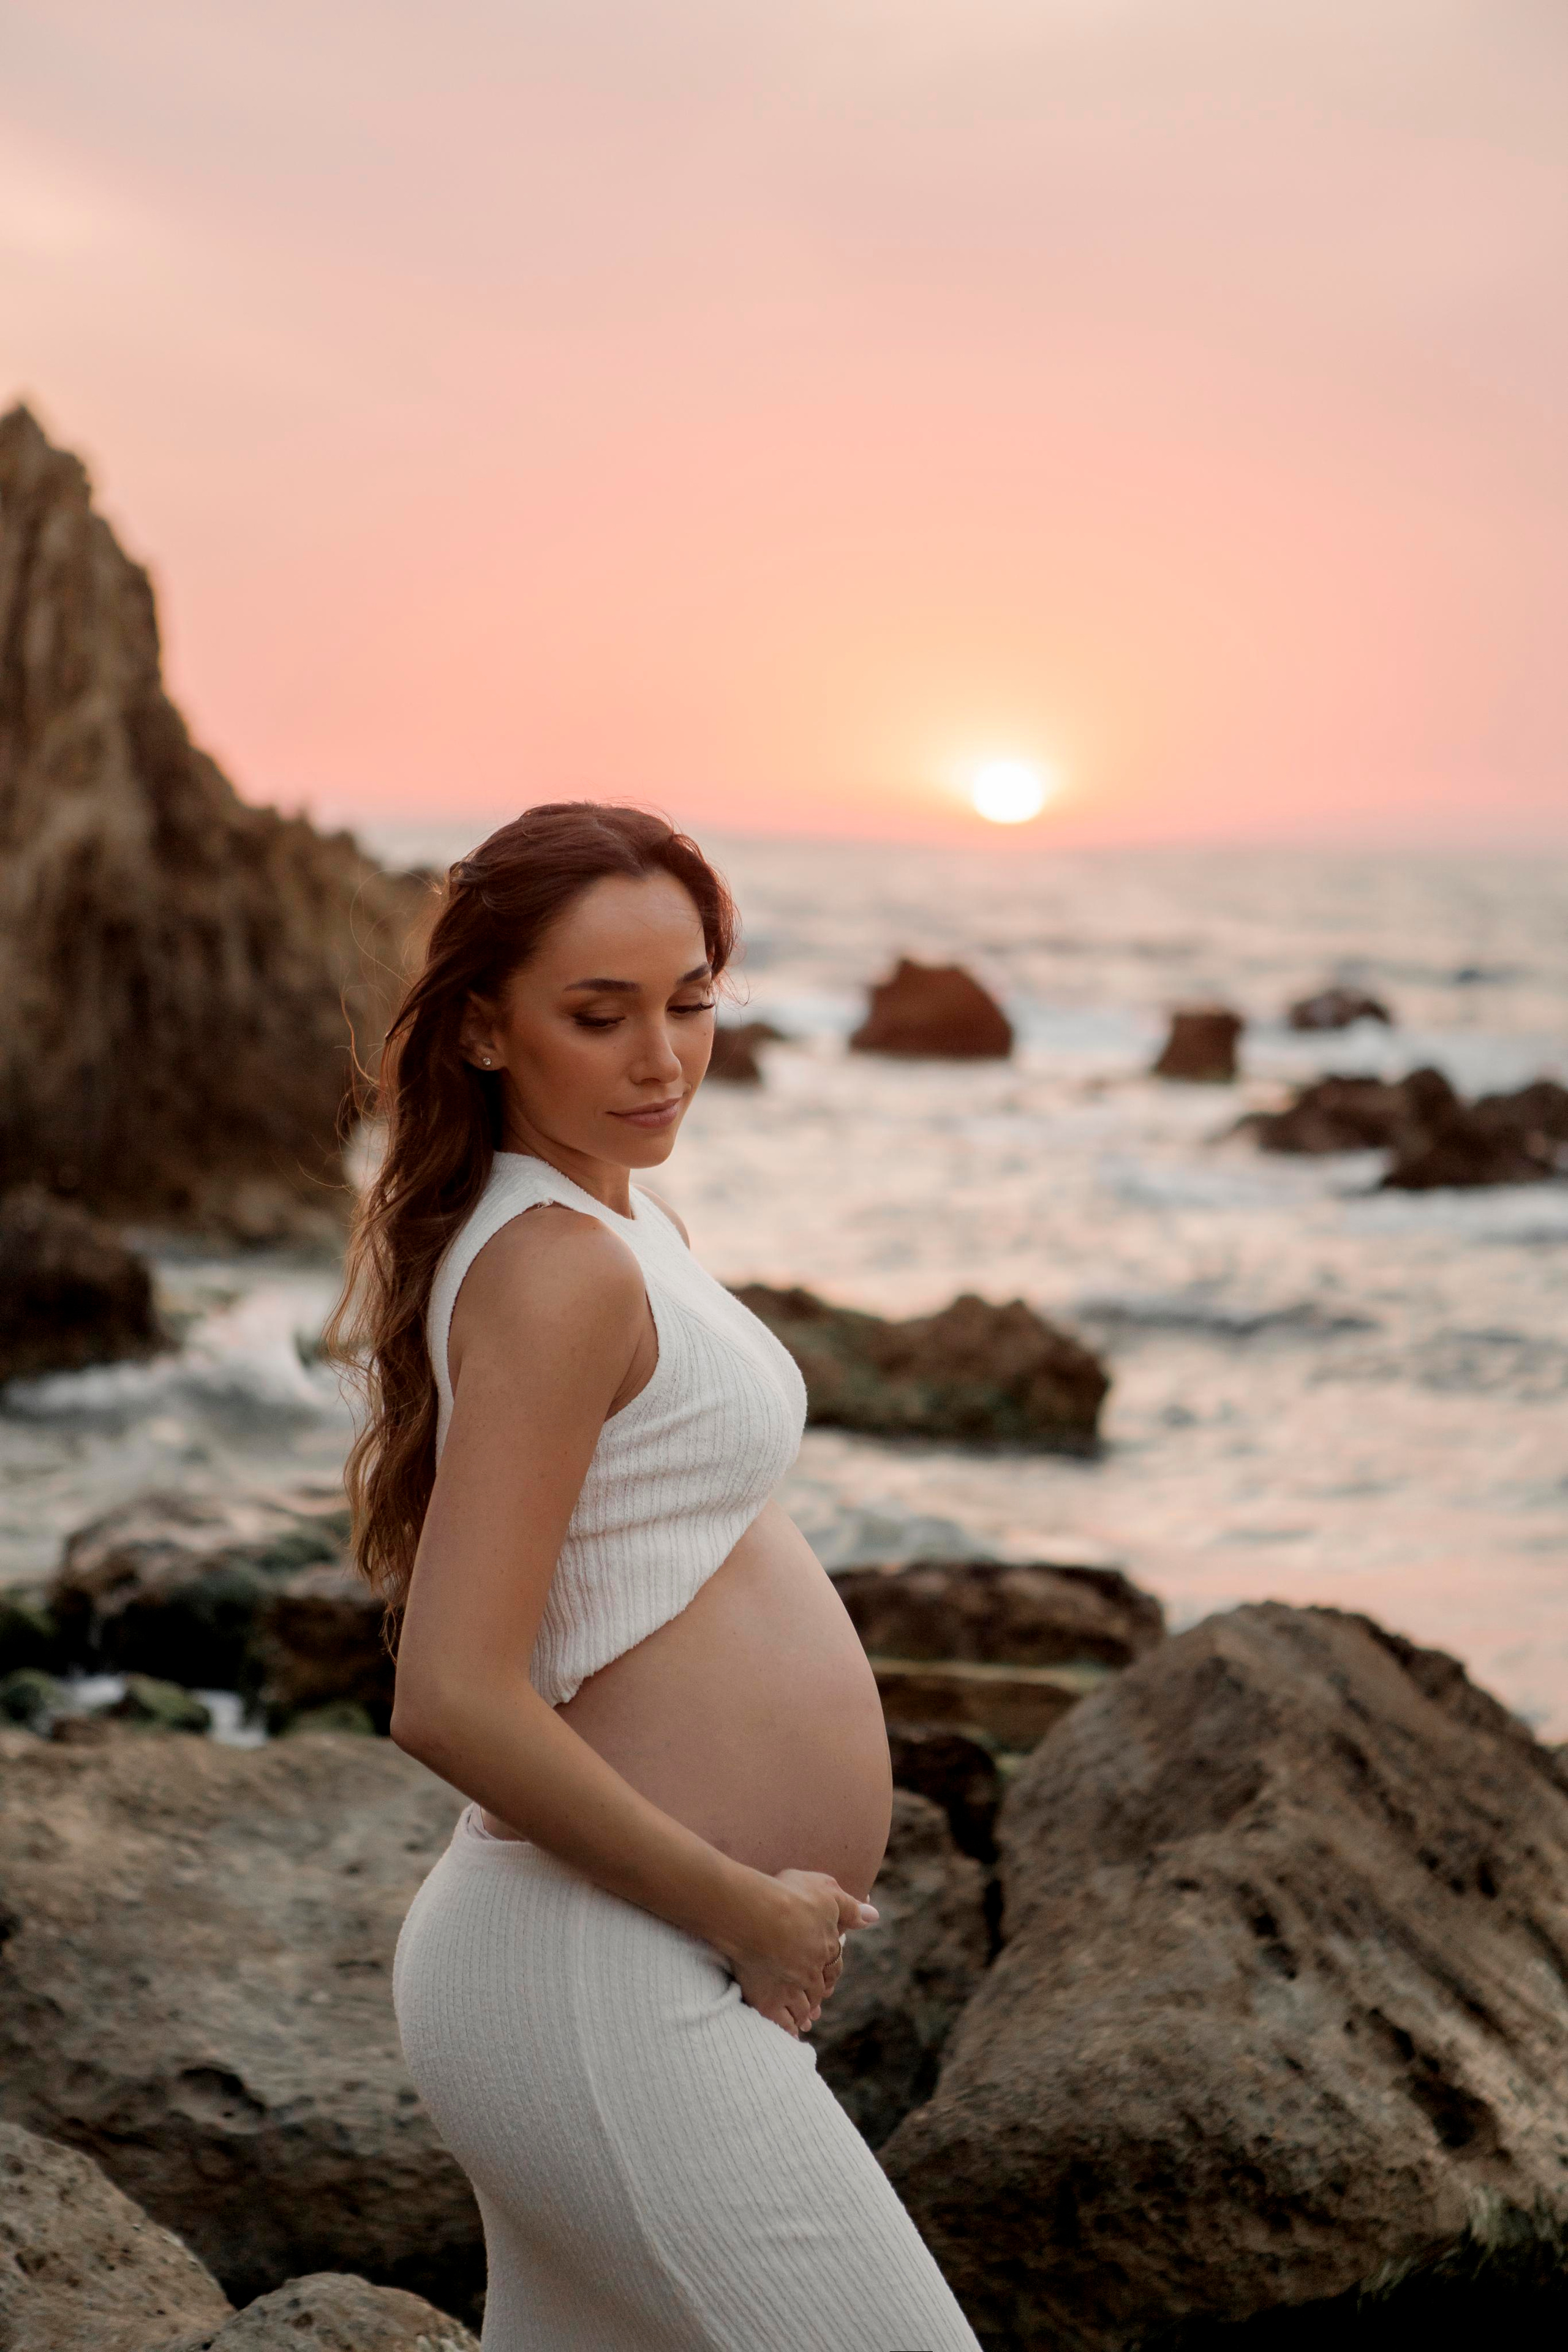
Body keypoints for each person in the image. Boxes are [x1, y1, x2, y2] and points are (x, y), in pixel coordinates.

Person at [328, 802, 981, 2351]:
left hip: (602, 1965)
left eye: (688, 1002)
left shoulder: (610, 1227)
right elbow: (450, 1696)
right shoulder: (559, 1268)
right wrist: (745, 1912)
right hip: (601, 1971)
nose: (659, 1060)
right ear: (484, 1028)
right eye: (597, 1016)